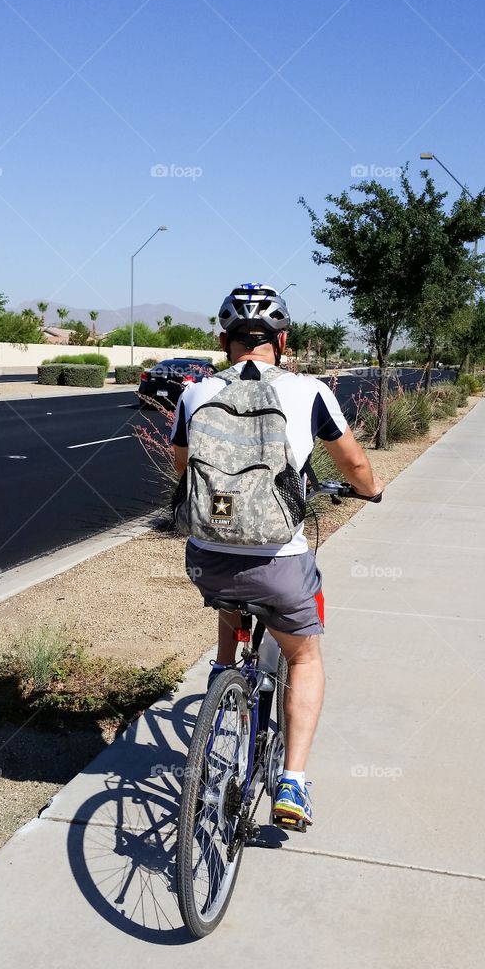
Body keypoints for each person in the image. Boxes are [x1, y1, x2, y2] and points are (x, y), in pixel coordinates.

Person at [170, 283, 383, 829]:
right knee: (304, 657)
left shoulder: (194, 394)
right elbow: (353, 463)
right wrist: (371, 490)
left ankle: (223, 680)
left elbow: (182, 469)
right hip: (279, 562)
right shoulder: (309, 391)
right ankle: (293, 782)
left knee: (229, 590)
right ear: (281, 341)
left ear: (225, 341)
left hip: (205, 556)